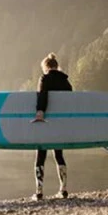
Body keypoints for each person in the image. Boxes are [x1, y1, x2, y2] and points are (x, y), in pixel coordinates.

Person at [30, 52, 72, 200]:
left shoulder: (45, 78)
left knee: (41, 154)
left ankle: (39, 192)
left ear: (46, 67)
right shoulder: (66, 82)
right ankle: (63, 189)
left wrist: (40, 111)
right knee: (59, 155)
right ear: (56, 66)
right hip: (60, 125)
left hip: (46, 122)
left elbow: (42, 95)